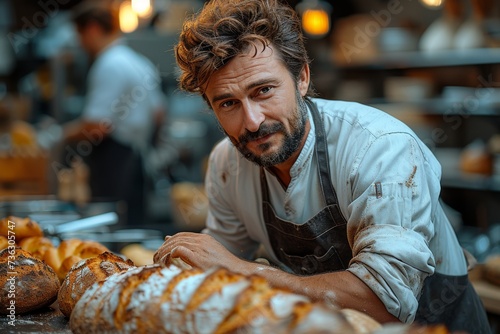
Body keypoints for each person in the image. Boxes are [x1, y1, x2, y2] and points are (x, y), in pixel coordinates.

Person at [154, 0, 491, 332]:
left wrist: (244, 271)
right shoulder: (227, 164)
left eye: (264, 90)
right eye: (228, 103)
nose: (253, 122)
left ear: (301, 78)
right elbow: (218, 268)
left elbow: (384, 303)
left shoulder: (378, 147)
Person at [62, 1, 165, 225]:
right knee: (133, 228)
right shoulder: (138, 61)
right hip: (137, 158)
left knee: (110, 230)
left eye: (79, 35)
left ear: (92, 29)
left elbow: (98, 126)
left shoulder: (108, 64)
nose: (80, 43)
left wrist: (60, 134)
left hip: (114, 161)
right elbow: (159, 113)